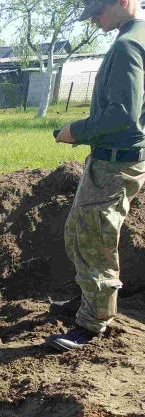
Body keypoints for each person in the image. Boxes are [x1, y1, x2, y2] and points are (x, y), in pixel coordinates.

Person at [48, 0, 145, 351]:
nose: (94, 21)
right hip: (117, 160)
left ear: (122, 3)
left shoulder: (128, 45)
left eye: (97, 13)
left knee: (94, 239)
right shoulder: (136, 37)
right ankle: (90, 300)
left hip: (116, 162)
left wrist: (74, 130)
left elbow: (122, 117)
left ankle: (92, 324)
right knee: (79, 229)